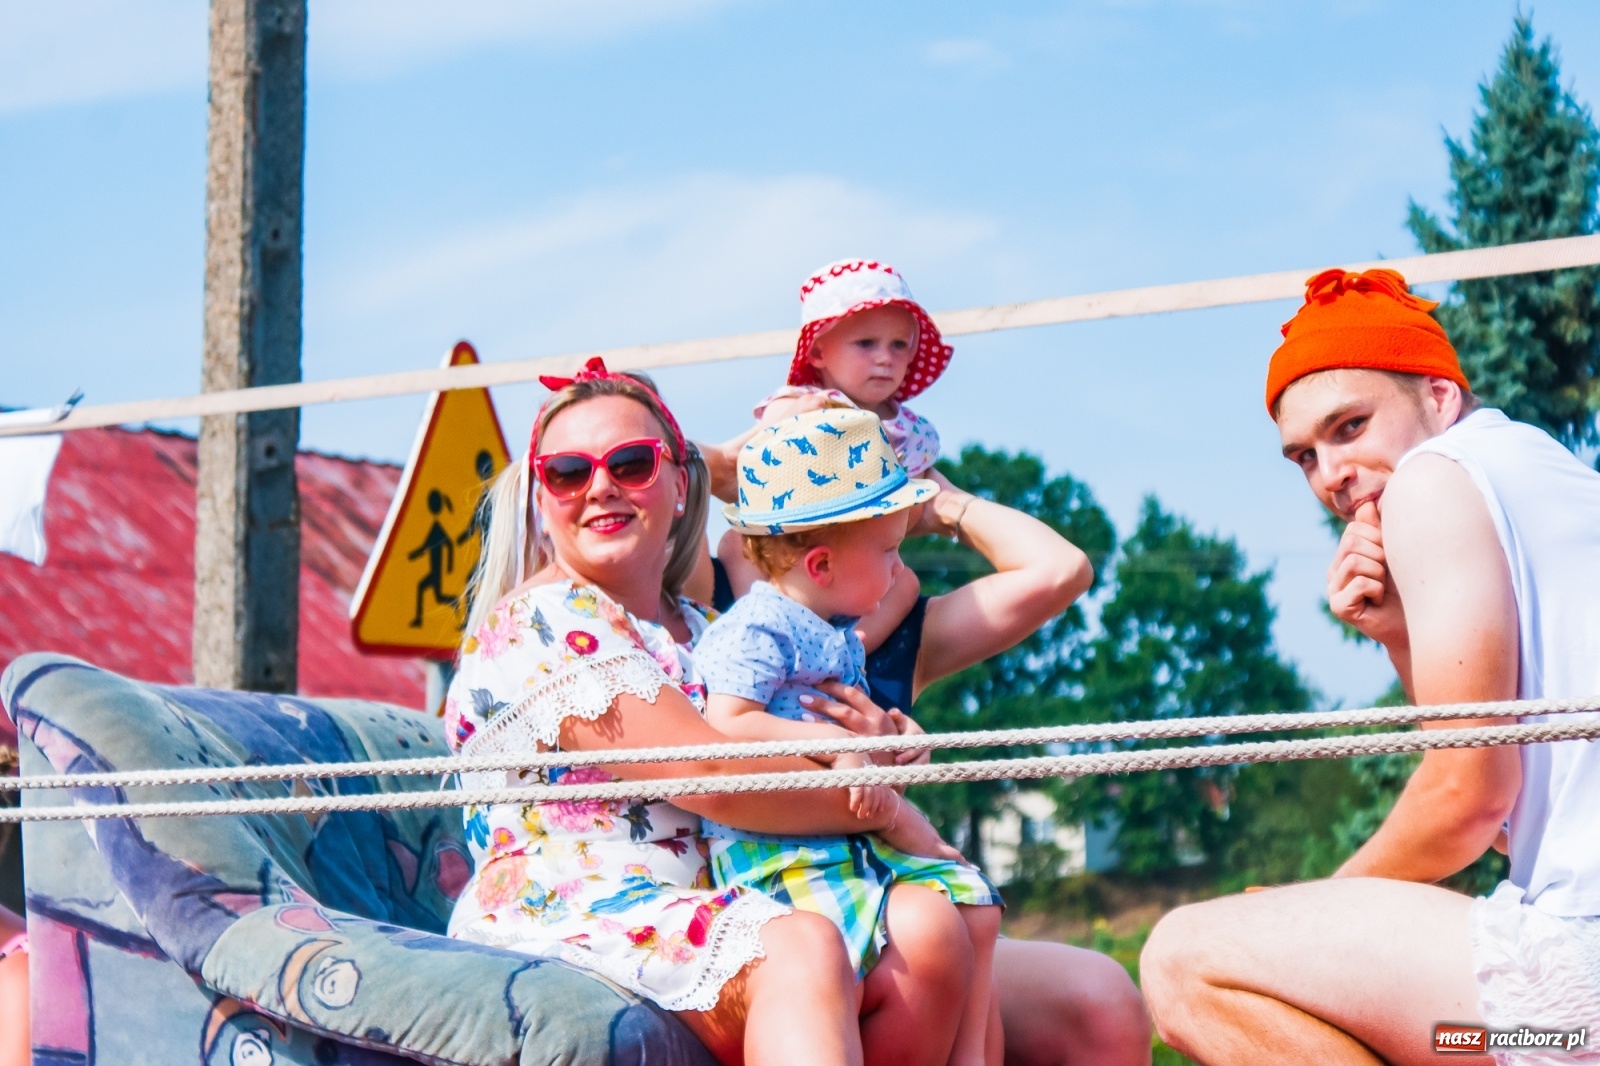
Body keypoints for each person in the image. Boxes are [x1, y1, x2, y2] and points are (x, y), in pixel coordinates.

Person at [447, 359, 973, 1066]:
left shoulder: (705, 626)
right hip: (580, 906)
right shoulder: (542, 620)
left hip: (748, 882)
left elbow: (805, 738)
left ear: (677, 481)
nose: (599, 486)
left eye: (631, 463)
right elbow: (716, 775)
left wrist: (880, 743)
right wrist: (875, 802)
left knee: (1014, 963)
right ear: (542, 497)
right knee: (804, 945)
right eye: (568, 472)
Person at [1140, 268, 1600, 1065]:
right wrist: (1398, 638)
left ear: (1439, 396)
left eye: (1349, 427)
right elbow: (1505, 816)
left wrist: (1311, 904)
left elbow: (1468, 796)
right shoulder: (1545, 472)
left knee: (1184, 960)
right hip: (1551, 1025)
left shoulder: (1435, 475)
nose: (1329, 475)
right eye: (1303, 457)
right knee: (1433, 1037)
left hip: (1574, 995)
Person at [697, 408, 1004, 1066]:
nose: (900, 571)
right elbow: (729, 722)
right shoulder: (758, 627)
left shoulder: (834, 633)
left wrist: (891, 733)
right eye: (889, 552)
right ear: (822, 562)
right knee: (929, 920)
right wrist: (840, 752)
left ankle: (973, 1056)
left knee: (975, 898)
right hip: (780, 854)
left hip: (841, 836)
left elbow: (841, 717)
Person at [708, 258, 953, 649]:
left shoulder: (913, 432)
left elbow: (926, 500)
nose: (885, 358)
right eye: (866, 343)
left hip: (864, 557)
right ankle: (755, 633)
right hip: (793, 550)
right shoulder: (804, 404)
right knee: (736, 545)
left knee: (904, 582)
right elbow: (765, 456)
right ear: (819, 352)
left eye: (898, 345)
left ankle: (838, 653)